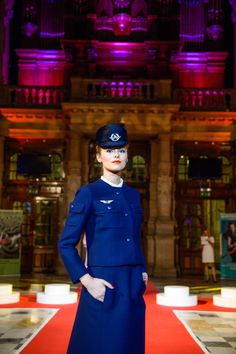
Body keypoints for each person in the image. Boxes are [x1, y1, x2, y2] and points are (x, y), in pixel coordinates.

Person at [58, 123, 148, 354]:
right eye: (108, 150)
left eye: (121, 150)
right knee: (102, 346)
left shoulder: (133, 195)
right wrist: (87, 281)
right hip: (104, 283)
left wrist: (143, 270)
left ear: (127, 155)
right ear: (98, 156)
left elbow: (133, 237)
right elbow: (66, 244)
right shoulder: (89, 193)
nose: (116, 155)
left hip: (132, 283)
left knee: (130, 345)